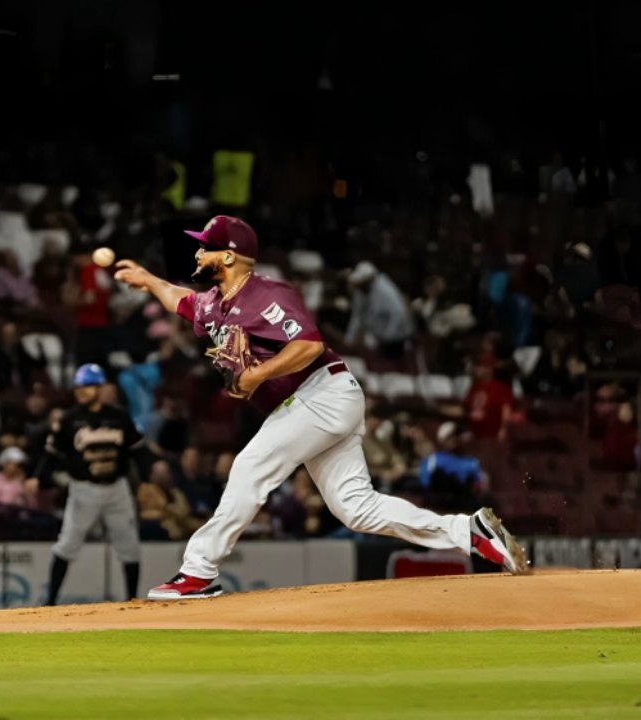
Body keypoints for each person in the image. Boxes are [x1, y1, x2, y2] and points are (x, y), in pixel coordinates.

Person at [114, 215, 528, 600]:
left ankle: (199, 570)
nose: (198, 253)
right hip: (316, 403)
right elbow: (180, 299)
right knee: (358, 509)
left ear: (228, 256)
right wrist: (148, 280)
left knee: (249, 466)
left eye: (206, 247)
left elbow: (309, 344)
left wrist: (257, 376)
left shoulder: (267, 294)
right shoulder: (214, 304)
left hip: (321, 393)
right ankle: (468, 532)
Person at [37, 364, 143, 605]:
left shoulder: (119, 416)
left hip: (117, 489)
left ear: (100, 387)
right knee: (67, 544)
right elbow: (52, 452)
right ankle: (50, 602)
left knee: (130, 546)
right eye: (79, 387)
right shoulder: (70, 418)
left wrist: (143, 481)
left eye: (87, 386)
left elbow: (137, 450)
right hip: (84, 489)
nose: (81, 391)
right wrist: (38, 476)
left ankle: (133, 600)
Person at [344, 261, 414, 359]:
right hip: (378, 335)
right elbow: (357, 315)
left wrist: (387, 339)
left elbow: (398, 314)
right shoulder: (361, 291)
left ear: (370, 279)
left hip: (396, 337)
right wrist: (350, 338)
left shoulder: (385, 290)